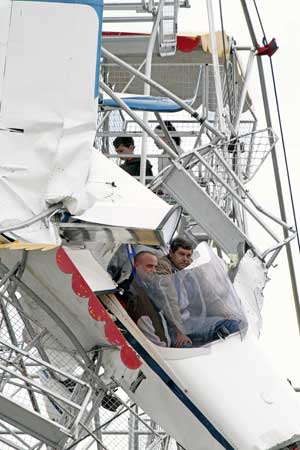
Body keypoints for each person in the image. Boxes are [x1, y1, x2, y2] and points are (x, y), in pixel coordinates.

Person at [120, 251, 170, 347]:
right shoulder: (134, 292)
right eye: (149, 266)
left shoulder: (148, 287)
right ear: (136, 265)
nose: (154, 271)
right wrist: (162, 347)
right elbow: (145, 326)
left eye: (155, 267)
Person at [156, 237, 194, 347]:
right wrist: (179, 331)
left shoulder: (189, 267)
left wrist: (223, 310)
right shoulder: (162, 267)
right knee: (186, 347)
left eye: (188, 255)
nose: (186, 259)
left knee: (229, 325)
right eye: (181, 254)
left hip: (188, 319)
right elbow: (169, 298)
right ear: (171, 253)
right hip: (171, 324)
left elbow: (206, 291)